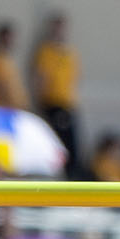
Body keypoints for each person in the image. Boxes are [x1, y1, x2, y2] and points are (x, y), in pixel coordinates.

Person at [31, 12, 81, 172]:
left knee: (72, 145)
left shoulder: (69, 52)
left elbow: (75, 77)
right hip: (53, 103)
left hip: (68, 103)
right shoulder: (46, 51)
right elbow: (42, 77)